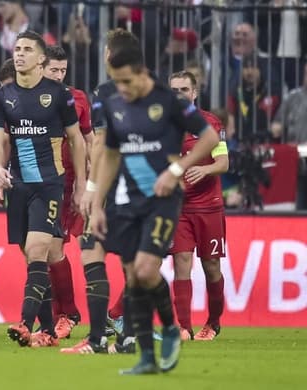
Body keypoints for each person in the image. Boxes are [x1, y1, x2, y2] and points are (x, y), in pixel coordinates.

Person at [88, 44, 219, 374]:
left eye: (127, 81)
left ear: (142, 72)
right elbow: (112, 156)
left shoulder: (170, 103)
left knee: (146, 270)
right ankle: (146, 356)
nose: (122, 89)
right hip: (126, 200)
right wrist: (97, 203)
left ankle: (172, 330)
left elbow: (207, 136)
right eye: (116, 82)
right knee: (134, 276)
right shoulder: (117, 105)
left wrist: (177, 169)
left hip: (163, 199)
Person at [0, 31, 86, 348]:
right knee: (33, 259)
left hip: (49, 184)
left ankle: (24, 323)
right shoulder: (2, 97)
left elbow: (77, 139)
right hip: (18, 186)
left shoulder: (58, 95)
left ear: (41, 58)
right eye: (17, 49)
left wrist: (82, 184)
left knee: (37, 251)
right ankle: (46, 330)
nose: (20, 54)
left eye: (27, 49)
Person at [76, 28, 144, 355]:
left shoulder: (106, 90)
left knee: (90, 247)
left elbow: (101, 143)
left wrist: (92, 189)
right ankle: (129, 337)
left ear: (109, 56)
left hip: (117, 184)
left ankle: (96, 339)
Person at [37, 45, 98, 344]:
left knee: (50, 248)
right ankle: (52, 318)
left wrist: (84, 184)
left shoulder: (78, 99)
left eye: (63, 70)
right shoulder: (26, 96)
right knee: (35, 250)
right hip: (33, 180)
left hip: (64, 181)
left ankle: (67, 314)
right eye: (54, 70)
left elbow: (88, 141)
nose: (59, 76)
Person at [168, 71, 229, 341]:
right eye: (174, 90)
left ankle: (213, 323)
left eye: (184, 89)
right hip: (179, 208)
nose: (178, 95)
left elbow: (224, 163)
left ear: (194, 93)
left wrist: (204, 171)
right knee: (181, 261)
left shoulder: (210, 124)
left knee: (211, 266)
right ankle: (184, 327)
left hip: (208, 207)